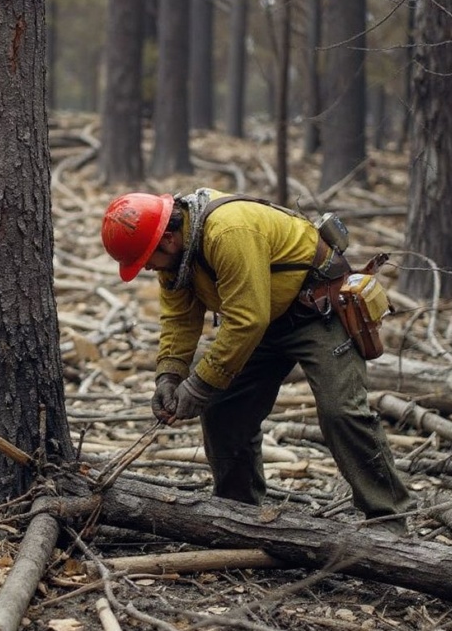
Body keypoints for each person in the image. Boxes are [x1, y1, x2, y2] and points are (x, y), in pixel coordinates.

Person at [101, 189, 412, 533]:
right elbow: (179, 318)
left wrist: (200, 384)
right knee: (224, 410)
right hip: (262, 318)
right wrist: (169, 376)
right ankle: (238, 513)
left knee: (342, 411)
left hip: (318, 308)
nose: (146, 266)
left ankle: (388, 517)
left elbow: (247, 319)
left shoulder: (227, 231)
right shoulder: (176, 255)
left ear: (169, 238)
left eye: (146, 258)